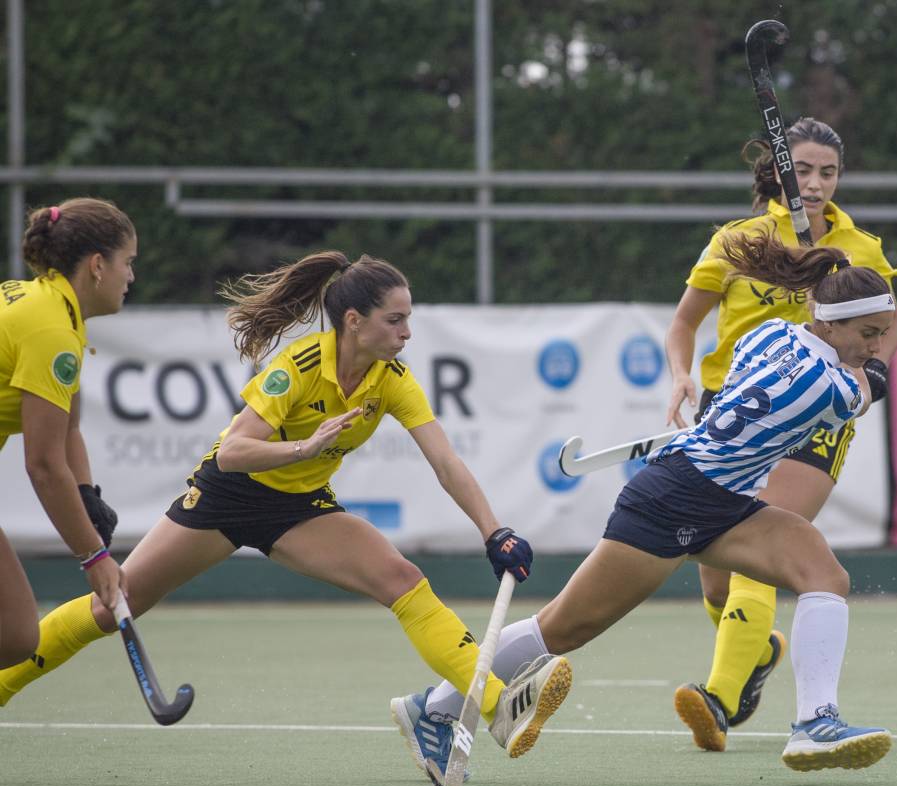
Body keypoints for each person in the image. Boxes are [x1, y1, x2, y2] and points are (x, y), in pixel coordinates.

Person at [0, 250, 571, 759]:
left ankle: (497, 706)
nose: (406, 333)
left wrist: (493, 531)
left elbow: (446, 463)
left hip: (299, 508)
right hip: (228, 497)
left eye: (408, 319)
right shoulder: (297, 367)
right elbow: (233, 453)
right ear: (355, 320)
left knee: (403, 580)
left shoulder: (392, 380)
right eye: (395, 320)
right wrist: (305, 447)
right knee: (115, 606)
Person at [398, 236, 895, 778]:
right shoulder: (829, 388)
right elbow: (863, 391)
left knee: (822, 573)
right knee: (562, 628)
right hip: (674, 501)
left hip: (723, 498)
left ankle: (815, 723)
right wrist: (874, 376)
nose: (876, 346)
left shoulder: (769, 333)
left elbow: (752, 381)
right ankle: (435, 707)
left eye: (881, 334)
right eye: (868, 333)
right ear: (828, 324)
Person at [662, 117, 897, 751]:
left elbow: (888, 322)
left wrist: (873, 373)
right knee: (717, 576)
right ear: (777, 173)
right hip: (735, 410)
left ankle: (719, 697)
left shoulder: (860, 247)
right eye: (803, 171)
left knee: (767, 537)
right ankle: (758, 651)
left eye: (828, 172)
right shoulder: (737, 241)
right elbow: (683, 324)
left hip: (816, 413)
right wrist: (682, 375)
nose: (815, 184)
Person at [0, 198, 131, 669]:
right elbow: (42, 464)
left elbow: (69, 426)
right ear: (97, 266)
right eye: (127, 262)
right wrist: (93, 557)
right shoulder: (51, 331)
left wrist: (87, 497)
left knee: (14, 634)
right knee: (15, 633)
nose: (130, 276)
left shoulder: (53, 310)